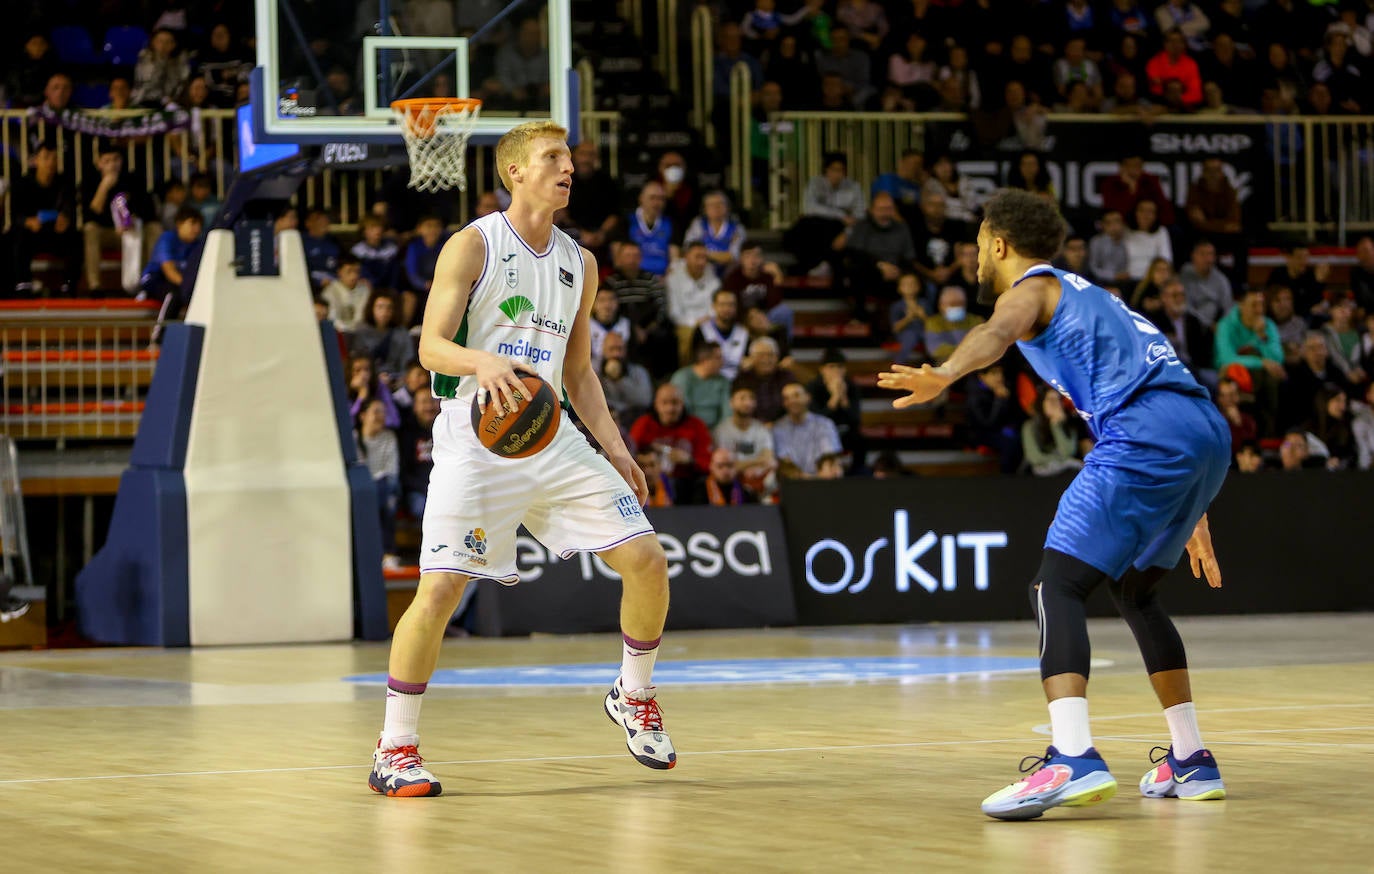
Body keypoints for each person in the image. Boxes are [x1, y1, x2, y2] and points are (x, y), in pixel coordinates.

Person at [878, 189, 1230, 821]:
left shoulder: (1032, 289)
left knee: (1055, 587)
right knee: (1135, 592)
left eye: (980, 243)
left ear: (1001, 244)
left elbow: (995, 332)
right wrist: (1194, 502)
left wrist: (945, 375)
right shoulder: (1092, 295)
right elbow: (1158, 390)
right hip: (1202, 431)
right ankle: (1191, 758)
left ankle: (1072, 757)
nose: (976, 256)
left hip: (1146, 434)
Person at [370, 122, 676, 796]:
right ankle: (395, 748)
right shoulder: (473, 244)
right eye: (553, 158)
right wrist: (484, 363)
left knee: (648, 559)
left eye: (569, 158)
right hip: (475, 434)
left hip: (553, 430)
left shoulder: (582, 262)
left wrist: (616, 448)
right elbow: (429, 348)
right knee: (441, 591)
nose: (569, 168)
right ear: (516, 172)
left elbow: (580, 371)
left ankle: (633, 694)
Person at [81, 143, 158, 294]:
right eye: (107, 161)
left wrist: (133, 220)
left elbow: (148, 212)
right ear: (99, 163)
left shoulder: (133, 179)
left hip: (132, 232)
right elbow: (90, 215)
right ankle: (95, 286)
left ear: (122, 161)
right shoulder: (90, 182)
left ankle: (149, 282)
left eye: (116, 160)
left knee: (154, 229)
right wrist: (104, 187)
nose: (112, 165)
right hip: (108, 234)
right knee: (90, 229)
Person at [11, 141, 79, 295]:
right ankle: (23, 284)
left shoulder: (64, 183)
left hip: (55, 233)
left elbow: (70, 209)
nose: (51, 163)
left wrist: (66, 218)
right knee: (17, 236)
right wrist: (27, 221)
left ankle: (68, 285)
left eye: (55, 158)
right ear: (35, 161)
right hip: (33, 233)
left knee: (75, 237)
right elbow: (16, 215)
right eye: (46, 158)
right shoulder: (23, 183)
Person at [1215, 289, 1285, 438]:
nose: (1259, 310)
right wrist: (1262, 363)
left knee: (1275, 377)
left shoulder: (1268, 325)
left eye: (1261, 305)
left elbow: (1278, 359)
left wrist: (1262, 337)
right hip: (1230, 372)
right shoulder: (1226, 325)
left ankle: (1270, 432)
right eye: (1254, 305)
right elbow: (1227, 358)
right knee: (1261, 369)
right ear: (1241, 306)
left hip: (1264, 375)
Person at [630, 382, 714, 500]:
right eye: (665, 403)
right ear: (656, 404)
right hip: (649, 481)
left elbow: (708, 463)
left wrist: (689, 460)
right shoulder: (643, 424)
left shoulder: (696, 426)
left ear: (682, 404)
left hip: (686, 482)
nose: (670, 408)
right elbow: (630, 455)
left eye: (675, 403)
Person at [356, 397, 402, 569]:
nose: (380, 416)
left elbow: (392, 471)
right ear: (363, 416)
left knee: (386, 496)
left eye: (383, 412)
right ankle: (385, 552)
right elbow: (357, 469)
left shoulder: (389, 437)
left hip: (385, 486)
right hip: (364, 488)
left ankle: (386, 553)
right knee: (373, 496)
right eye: (376, 411)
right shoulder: (354, 437)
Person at [713, 383, 778, 500]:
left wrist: (750, 466)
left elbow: (768, 459)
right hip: (733, 479)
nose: (747, 402)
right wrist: (757, 461)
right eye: (742, 398)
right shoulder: (721, 431)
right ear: (731, 403)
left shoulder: (761, 429)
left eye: (751, 398)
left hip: (760, 478)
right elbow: (725, 464)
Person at [139, 206, 203, 321]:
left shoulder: (197, 245)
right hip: (156, 279)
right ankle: (159, 336)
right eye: (192, 223)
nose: (197, 229)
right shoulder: (167, 239)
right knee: (173, 295)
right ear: (179, 224)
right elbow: (169, 270)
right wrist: (189, 288)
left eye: (199, 225)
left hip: (181, 283)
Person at [773, 382, 842, 477]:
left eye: (796, 395)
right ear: (784, 403)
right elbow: (785, 463)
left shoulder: (825, 424)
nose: (792, 401)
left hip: (823, 481)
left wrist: (817, 478)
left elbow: (829, 457)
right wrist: (806, 478)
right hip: (793, 482)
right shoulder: (778, 428)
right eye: (787, 398)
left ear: (808, 397)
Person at [1022, 386, 1084, 477]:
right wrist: (1060, 460)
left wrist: (1056, 426)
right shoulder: (1030, 426)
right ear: (1042, 403)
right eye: (1050, 399)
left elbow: (1068, 452)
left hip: (1066, 470)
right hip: (1039, 472)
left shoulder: (1068, 425)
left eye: (1057, 400)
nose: (1054, 403)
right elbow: (1034, 457)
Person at [670, 341, 733, 429]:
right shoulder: (682, 378)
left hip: (717, 430)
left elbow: (727, 411)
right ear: (704, 360)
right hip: (689, 428)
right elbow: (684, 409)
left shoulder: (723, 381)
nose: (722, 362)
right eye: (718, 358)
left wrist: (720, 430)